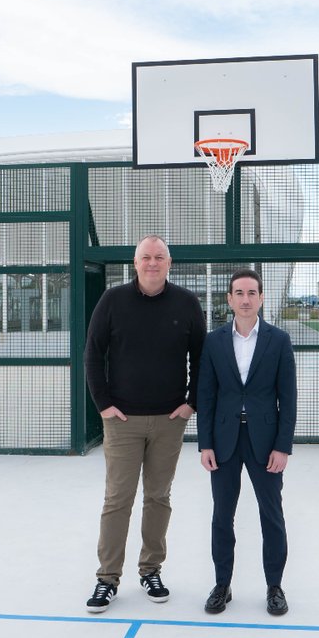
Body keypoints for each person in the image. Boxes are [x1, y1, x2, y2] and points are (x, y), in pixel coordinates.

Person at [83, 234, 206, 613]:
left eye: (160, 257)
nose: (152, 263)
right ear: (135, 263)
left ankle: (150, 569)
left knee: (158, 498)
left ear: (169, 263)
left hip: (169, 421)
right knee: (117, 499)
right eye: (146, 257)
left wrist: (190, 404)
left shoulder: (186, 303)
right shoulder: (112, 301)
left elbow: (202, 359)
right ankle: (107, 578)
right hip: (122, 422)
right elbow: (92, 353)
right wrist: (104, 405)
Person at [197, 268, 297, 616]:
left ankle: (274, 587)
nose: (245, 299)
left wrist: (283, 446)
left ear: (261, 297)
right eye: (238, 293)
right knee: (222, 516)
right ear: (229, 299)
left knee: (271, 516)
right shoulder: (213, 341)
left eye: (251, 293)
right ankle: (222, 585)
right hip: (224, 441)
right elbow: (206, 395)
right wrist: (204, 444)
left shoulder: (278, 341)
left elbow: (289, 398)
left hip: (265, 442)